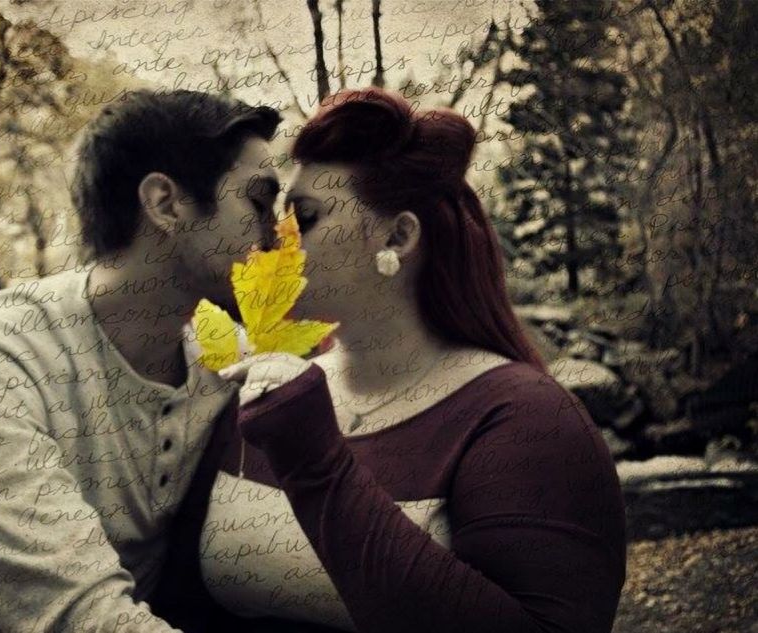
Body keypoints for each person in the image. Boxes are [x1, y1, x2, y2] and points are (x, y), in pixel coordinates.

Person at [150, 87, 627, 633]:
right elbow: (178, 599)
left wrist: (316, 462)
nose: (273, 241)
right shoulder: (264, 392)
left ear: (398, 237)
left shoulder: (525, 421)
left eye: (304, 218)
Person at [0, 89, 281, 632]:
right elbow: (76, 616)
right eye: (258, 203)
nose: (277, 236)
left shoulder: (230, 364)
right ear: (164, 203)